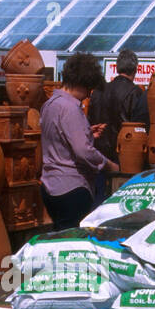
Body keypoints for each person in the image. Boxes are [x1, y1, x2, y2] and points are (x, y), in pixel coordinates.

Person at [39, 52, 117, 231]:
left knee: (60, 234)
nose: (89, 95)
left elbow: (58, 137)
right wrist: (108, 165)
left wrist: (87, 133)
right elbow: (83, 151)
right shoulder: (71, 108)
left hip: (50, 185)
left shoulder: (50, 104)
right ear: (83, 83)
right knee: (72, 240)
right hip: (72, 187)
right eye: (89, 89)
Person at [88, 48, 149, 162]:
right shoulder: (135, 92)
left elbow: (89, 121)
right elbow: (140, 125)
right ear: (135, 69)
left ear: (116, 68)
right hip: (123, 154)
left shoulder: (98, 91)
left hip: (98, 153)